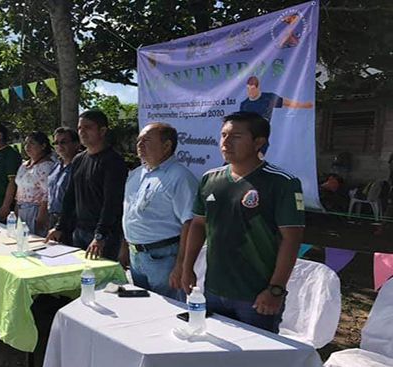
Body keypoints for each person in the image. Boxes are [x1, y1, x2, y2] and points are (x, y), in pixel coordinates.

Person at [180, 111, 305, 333]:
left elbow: (291, 239)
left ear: (259, 142)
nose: (226, 143)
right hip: (214, 290)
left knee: (255, 363)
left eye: (236, 136)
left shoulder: (282, 183)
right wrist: (187, 267)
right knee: (213, 352)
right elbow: (199, 224)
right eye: (223, 135)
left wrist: (275, 289)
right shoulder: (211, 179)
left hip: (256, 297)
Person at [119, 123, 199, 301]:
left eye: (146, 140)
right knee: (142, 309)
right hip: (136, 256)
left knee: (168, 312)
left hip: (164, 258)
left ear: (166, 146)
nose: (139, 144)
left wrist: (181, 266)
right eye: (139, 140)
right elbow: (129, 214)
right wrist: (124, 247)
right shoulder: (135, 174)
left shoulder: (180, 177)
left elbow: (190, 223)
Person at [46, 110, 128, 260]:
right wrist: (60, 227)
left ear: (102, 131)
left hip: (103, 238)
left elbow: (112, 203)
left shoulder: (113, 161)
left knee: (100, 280)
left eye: (87, 127)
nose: (82, 132)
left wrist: (100, 236)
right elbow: (70, 197)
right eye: (79, 128)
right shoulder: (78, 159)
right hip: (79, 232)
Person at [239, 76, 313, 156]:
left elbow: (286, 103)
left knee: (257, 156)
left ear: (258, 87)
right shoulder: (244, 104)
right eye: (248, 89)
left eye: (252, 89)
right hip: (247, 138)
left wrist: (303, 105)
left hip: (261, 136)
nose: (250, 92)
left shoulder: (268, 98)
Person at [14, 131, 55, 236]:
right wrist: (16, 209)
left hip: (36, 210)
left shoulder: (46, 166)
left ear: (43, 146)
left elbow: (47, 194)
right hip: (22, 208)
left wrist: (41, 217)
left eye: (32, 143)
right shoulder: (24, 165)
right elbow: (19, 188)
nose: (27, 146)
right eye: (26, 143)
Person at [47, 127, 80, 233]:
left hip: (72, 220)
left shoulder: (79, 166)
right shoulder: (56, 165)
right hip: (53, 217)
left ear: (76, 144)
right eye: (56, 143)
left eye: (63, 142)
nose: (59, 146)